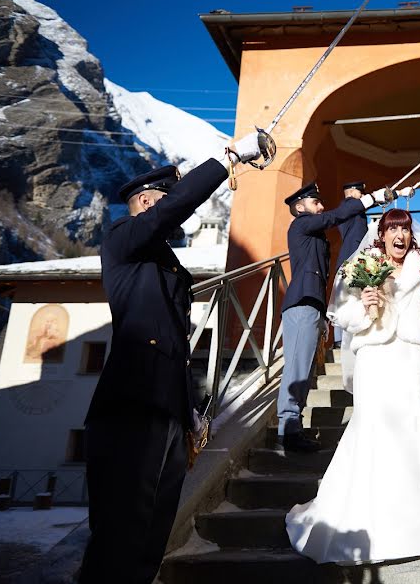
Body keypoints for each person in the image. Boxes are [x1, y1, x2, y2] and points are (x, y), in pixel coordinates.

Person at [79, 132, 263, 584]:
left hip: (166, 408)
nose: (172, 205)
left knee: (151, 531)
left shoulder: (160, 261)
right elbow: (172, 211)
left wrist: (189, 413)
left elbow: (176, 347)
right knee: (121, 530)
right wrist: (227, 160)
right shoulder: (123, 238)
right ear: (144, 200)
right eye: (164, 195)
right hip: (132, 405)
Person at [287, 209, 420, 564]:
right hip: (374, 360)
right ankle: (368, 519)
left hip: (409, 355)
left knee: (414, 423)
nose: (400, 234)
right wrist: (364, 308)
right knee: (372, 429)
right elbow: (341, 313)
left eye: (405, 229)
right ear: (381, 234)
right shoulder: (362, 265)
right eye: (393, 228)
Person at [277, 181, 390, 452]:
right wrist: (370, 198)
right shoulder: (301, 224)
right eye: (316, 203)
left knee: (304, 369)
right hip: (302, 304)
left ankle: (293, 426)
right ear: (301, 206)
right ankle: (288, 429)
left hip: (311, 305)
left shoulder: (312, 232)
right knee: (297, 368)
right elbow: (334, 217)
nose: (321, 206)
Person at [332, 180, 368, 349]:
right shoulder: (350, 205)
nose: (363, 196)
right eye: (360, 193)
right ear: (353, 192)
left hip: (350, 257)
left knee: (347, 296)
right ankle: (341, 338)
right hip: (351, 258)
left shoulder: (351, 209)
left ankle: (341, 337)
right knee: (346, 297)